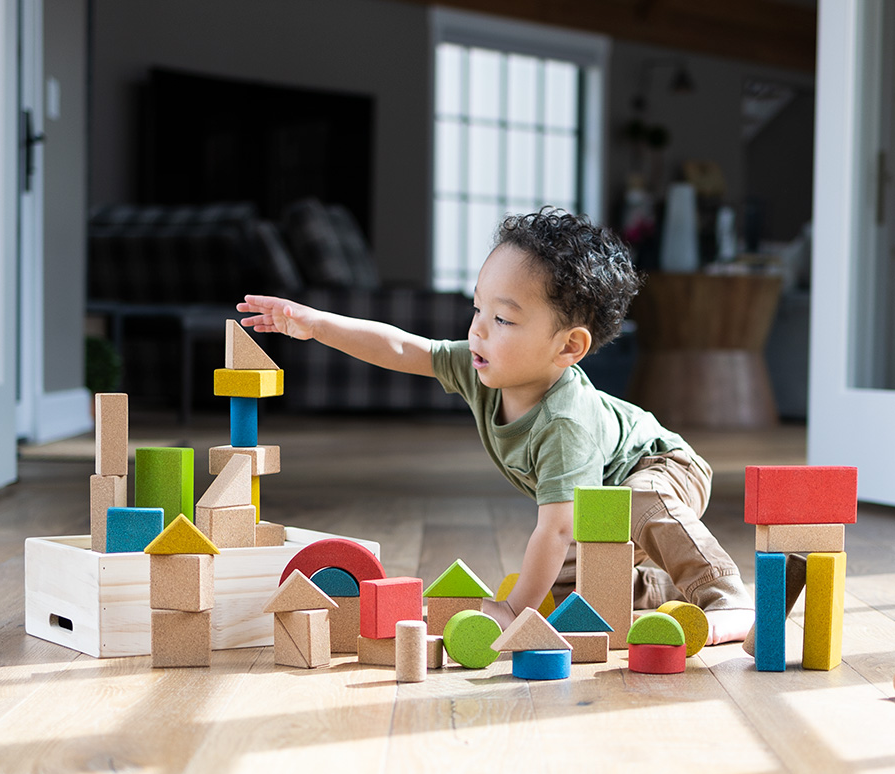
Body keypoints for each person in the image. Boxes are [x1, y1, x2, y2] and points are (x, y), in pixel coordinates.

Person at [237, 209, 754, 645]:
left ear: (568, 347)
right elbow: (402, 346)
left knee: (635, 504)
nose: (478, 328)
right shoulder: (481, 366)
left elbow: (553, 527)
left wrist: (514, 611)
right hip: (594, 499)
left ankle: (724, 595)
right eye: (477, 306)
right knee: (574, 584)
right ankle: (657, 594)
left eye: (503, 319)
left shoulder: (565, 422)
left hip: (659, 465)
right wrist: (317, 324)